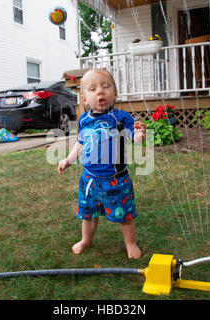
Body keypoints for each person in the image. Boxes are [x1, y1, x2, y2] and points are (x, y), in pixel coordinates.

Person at [58, 68, 146, 259]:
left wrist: (139, 135)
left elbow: (134, 137)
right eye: (93, 89)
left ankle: (130, 243)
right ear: (84, 98)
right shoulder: (84, 120)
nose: (100, 91)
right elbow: (80, 144)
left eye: (106, 87)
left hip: (115, 180)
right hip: (89, 180)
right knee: (88, 214)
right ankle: (86, 240)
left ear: (114, 93)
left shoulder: (121, 117)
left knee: (124, 215)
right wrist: (68, 160)